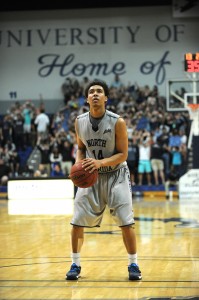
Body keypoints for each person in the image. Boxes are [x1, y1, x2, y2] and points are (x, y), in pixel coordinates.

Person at [65, 79, 142, 281]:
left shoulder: (118, 121)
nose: (96, 94)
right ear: (87, 98)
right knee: (77, 222)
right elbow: (80, 148)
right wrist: (77, 167)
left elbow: (123, 154)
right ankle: (75, 264)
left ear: (106, 98)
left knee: (126, 223)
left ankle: (133, 263)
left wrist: (100, 164)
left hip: (116, 174)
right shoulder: (79, 121)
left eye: (99, 91)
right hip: (91, 175)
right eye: (92, 92)